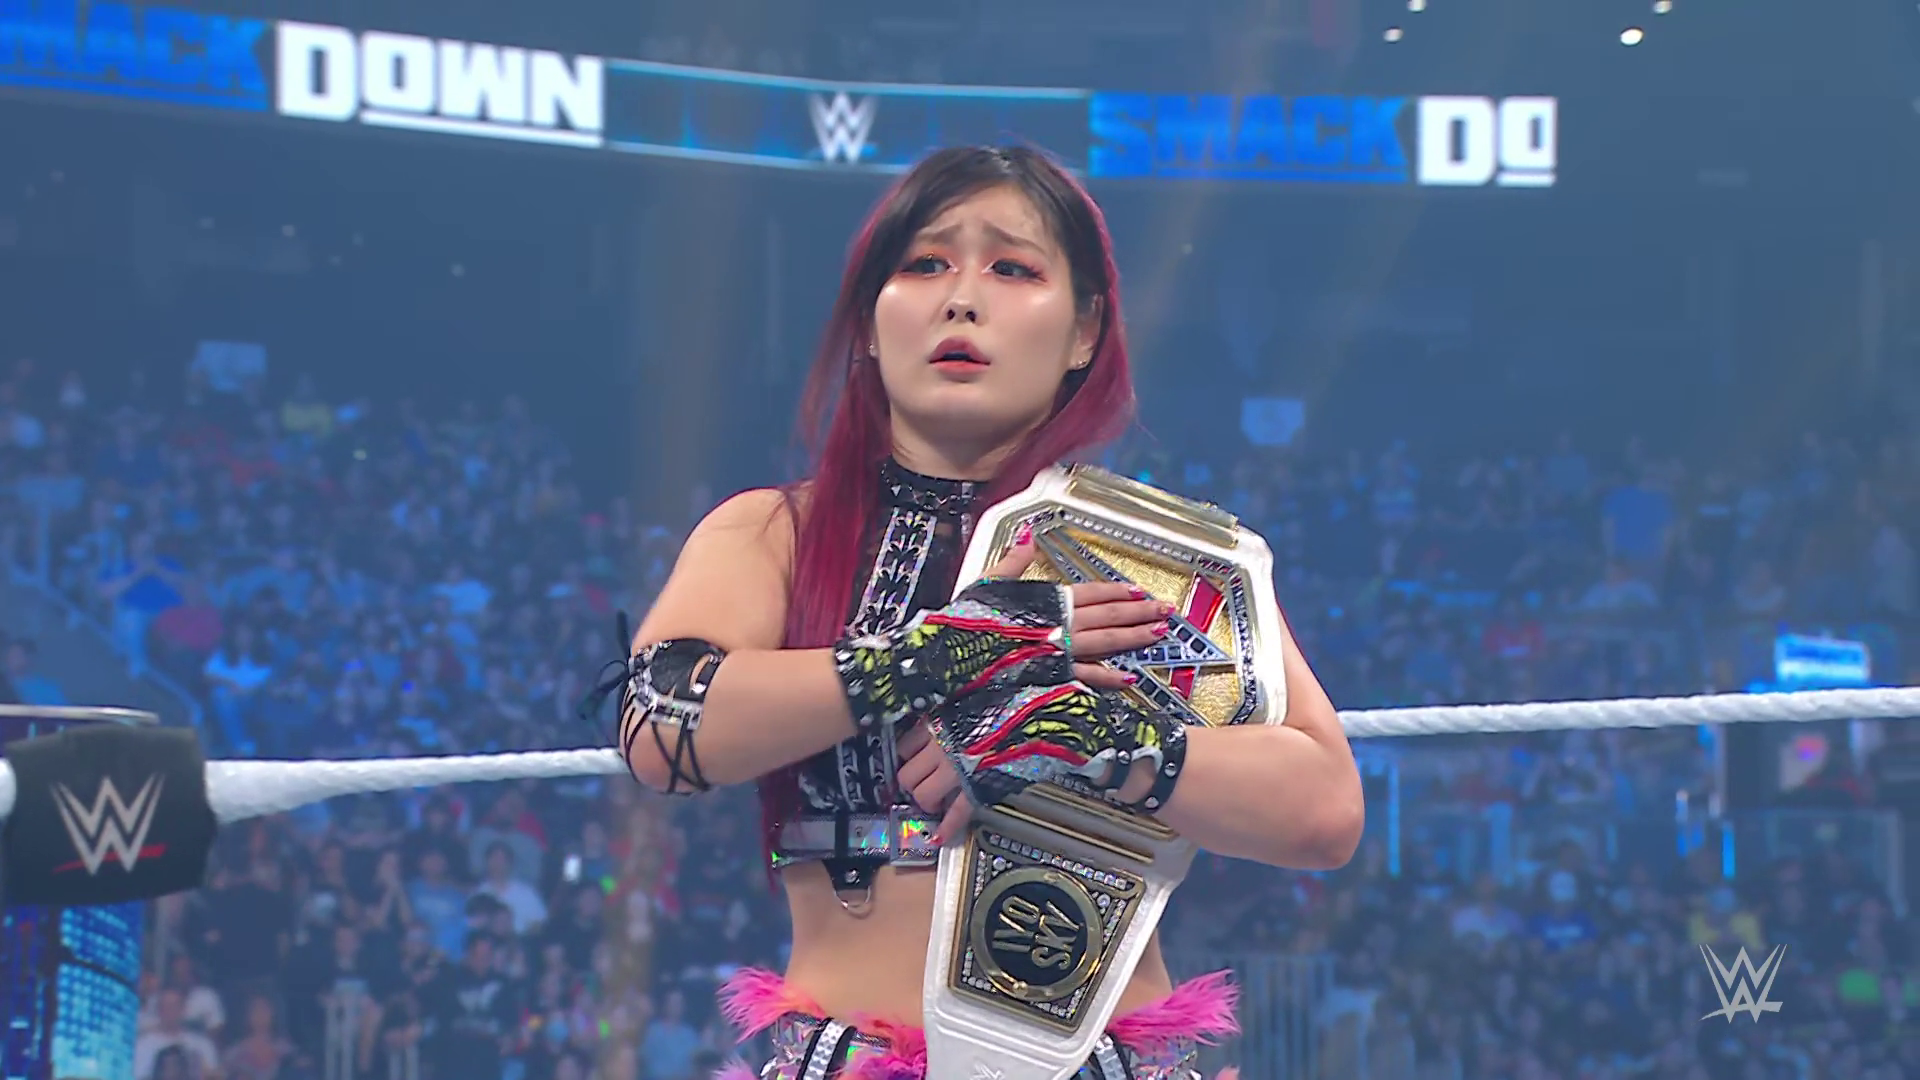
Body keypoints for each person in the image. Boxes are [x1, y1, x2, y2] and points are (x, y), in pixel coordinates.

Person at [611, 146, 1363, 1080]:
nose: (962, 299)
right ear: (869, 322)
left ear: (1085, 330)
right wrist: (948, 652)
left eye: (1012, 268)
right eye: (925, 263)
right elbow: (661, 726)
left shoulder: (1155, 557)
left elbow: (1326, 810)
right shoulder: (776, 533)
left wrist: (1083, 734)